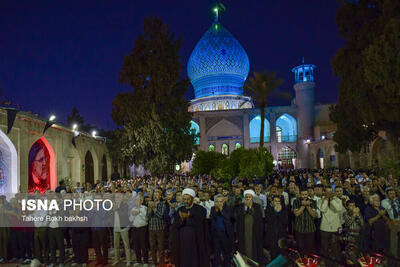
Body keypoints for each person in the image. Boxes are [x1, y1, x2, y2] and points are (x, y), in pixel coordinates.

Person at [171, 188, 209, 267]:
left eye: (188, 199)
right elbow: (176, 225)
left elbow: (200, 224)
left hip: (195, 241)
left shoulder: (200, 209)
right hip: (182, 241)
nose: (186, 201)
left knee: (195, 260)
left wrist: (188, 217)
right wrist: (182, 219)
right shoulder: (180, 210)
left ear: (192, 199)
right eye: (184, 199)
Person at [234, 189, 265, 266]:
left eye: (249, 197)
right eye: (246, 197)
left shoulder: (257, 206)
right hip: (243, 233)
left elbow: (259, 217)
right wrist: (245, 207)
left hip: (254, 233)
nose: (247, 198)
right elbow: (237, 218)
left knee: (254, 251)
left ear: (252, 198)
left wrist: (250, 207)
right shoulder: (240, 207)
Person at [318, 187, 344, 266]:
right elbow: (323, 209)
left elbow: (338, 208)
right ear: (324, 192)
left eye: (330, 192)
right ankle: (327, 264)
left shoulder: (338, 200)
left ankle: (337, 264)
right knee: (325, 249)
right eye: (327, 192)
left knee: (336, 248)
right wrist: (326, 199)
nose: (329, 194)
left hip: (336, 228)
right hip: (324, 228)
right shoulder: (320, 200)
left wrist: (332, 199)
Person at [210, 194, 234, 267]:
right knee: (216, 253)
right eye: (217, 201)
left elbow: (227, 217)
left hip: (225, 235)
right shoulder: (213, 208)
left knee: (226, 254)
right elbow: (212, 218)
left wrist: (221, 209)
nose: (219, 203)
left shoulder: (228, 208)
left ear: (224, 202)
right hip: (216, 234)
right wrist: (217, 211)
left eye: (221, 201)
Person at [293, 187, 317, 255]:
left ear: (308, 194)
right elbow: (297, 214)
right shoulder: (296, 201)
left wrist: (308, 206)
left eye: (306, 194)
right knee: (300, 249)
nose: (304, 196)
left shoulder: (313, 202)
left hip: (310, 229)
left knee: (310, 248)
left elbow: (314, 215)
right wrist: (303, 206)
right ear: (300, 194)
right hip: (299, 229)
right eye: (303, 195)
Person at [265, 195, 288, 260]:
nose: (277, 203)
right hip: (272, 237)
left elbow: (285, 222)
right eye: (275, 201)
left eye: (279, 201)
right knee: (273, 255)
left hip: (281, 236)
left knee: (281, 255)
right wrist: (276, 212)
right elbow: (269, 220)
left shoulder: (284, 210)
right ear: (272, 202)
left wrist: (279, 212)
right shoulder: (269, 209)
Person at [112, 194, 131, 266]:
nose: (117, 198)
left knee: (126, 245)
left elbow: (124, 214)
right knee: (116, 245)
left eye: (118, 197)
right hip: (115, 227)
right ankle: (116, 259)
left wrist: (117, 209)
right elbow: (111, 215)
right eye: (116, 197)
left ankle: (128, 260)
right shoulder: (113, 205)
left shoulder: (125, 205)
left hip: (123, 227)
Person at [130, 196, 149, 267]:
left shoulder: (144, 208)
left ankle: (146, 261)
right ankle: (138, 260)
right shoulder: (133, 209)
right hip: (135, 228)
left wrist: (139, 212)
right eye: (136, 200)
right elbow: (130, 219)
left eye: (138, 200)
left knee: (144, 245)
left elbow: (145, 218)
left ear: (141, 201)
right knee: (136, 245)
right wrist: (133, 214)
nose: (136, 201)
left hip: (143, 229)